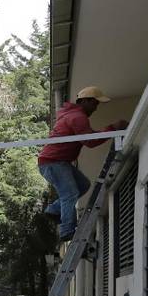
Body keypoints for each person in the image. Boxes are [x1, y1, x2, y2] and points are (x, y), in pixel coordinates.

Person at [38, 86, 128, 241]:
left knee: (83, 185)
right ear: (84, 101)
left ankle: (53, 209)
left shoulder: (73, 115)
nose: (95, 108)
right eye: (94, 103)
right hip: (53, 162)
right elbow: (90, 141)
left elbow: (89, 136)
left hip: (58, 162)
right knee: (70, 194)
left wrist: (111, 130)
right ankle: (67, 230)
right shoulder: (77, 117)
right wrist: (113, 128)